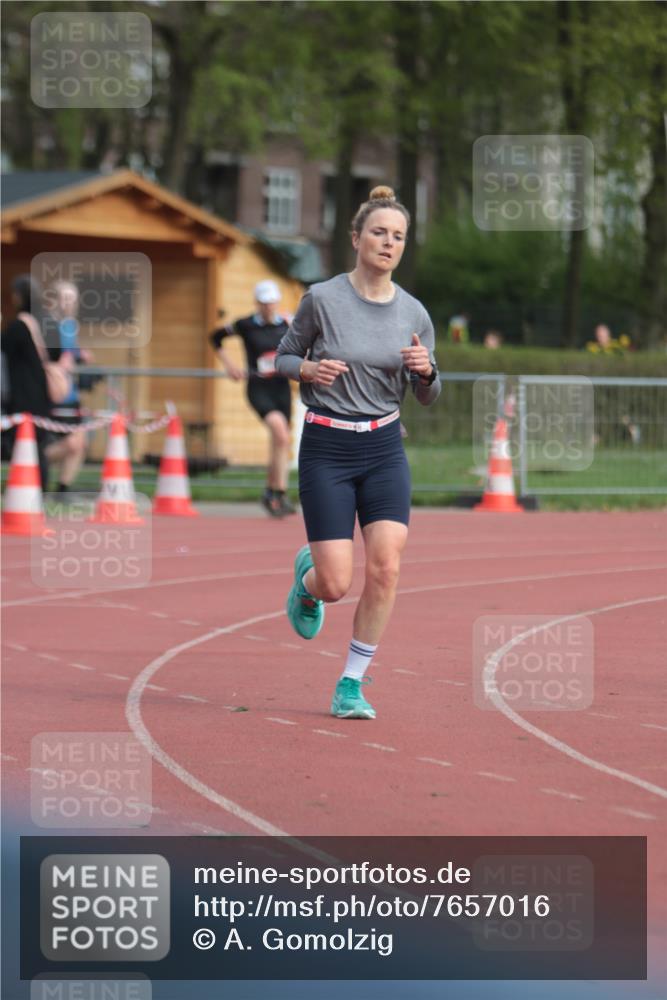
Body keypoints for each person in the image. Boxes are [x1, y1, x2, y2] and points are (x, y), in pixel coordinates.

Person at [275, 185, 441, 720]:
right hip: (327, 446)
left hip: (385, 447)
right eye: (378, 232)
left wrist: (428, 372)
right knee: (336, 584)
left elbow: (429, 393)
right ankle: (308, 584)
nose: (388, 243)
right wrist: (307, 369)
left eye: (398, 236)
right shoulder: (323, 298)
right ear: (356, 238)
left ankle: (351, 684)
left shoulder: (414, 311)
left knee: (387, 568)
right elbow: (282, 356)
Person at [210, 280, 296, 517]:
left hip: (281, 387)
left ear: (277, 302)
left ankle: (274, 492)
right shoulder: (245, 325)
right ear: (257, 303)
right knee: (279, 432)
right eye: (264, 303)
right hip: (258, 387)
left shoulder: (288, 323)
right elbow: (215, 337)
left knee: (282, 441)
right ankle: (277, 492)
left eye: (272, 303)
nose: (269, 307)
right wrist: (230, 365)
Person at [1, 275, 72, 490]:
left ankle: (27, 491)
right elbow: (57, 353)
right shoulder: (48, 323)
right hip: (43, 394)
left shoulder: (20, 326)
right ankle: (38, 492)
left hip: (22, 395)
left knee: (23, 445)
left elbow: (3, 348)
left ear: (19, 297)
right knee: (38, 445)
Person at [42, 280, 91, 498]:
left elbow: (71, 353)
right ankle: (33, 459)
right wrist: (58, 363)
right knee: (72, 444)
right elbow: (45, 356)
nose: (70, 303)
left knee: (79, 444)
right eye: (65, 298)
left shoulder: (71, 324)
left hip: (71, 394)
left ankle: (62, 490)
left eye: (73, 298)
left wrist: (82, 354)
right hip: (54, 393)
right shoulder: (47, 323)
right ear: (54, 300)